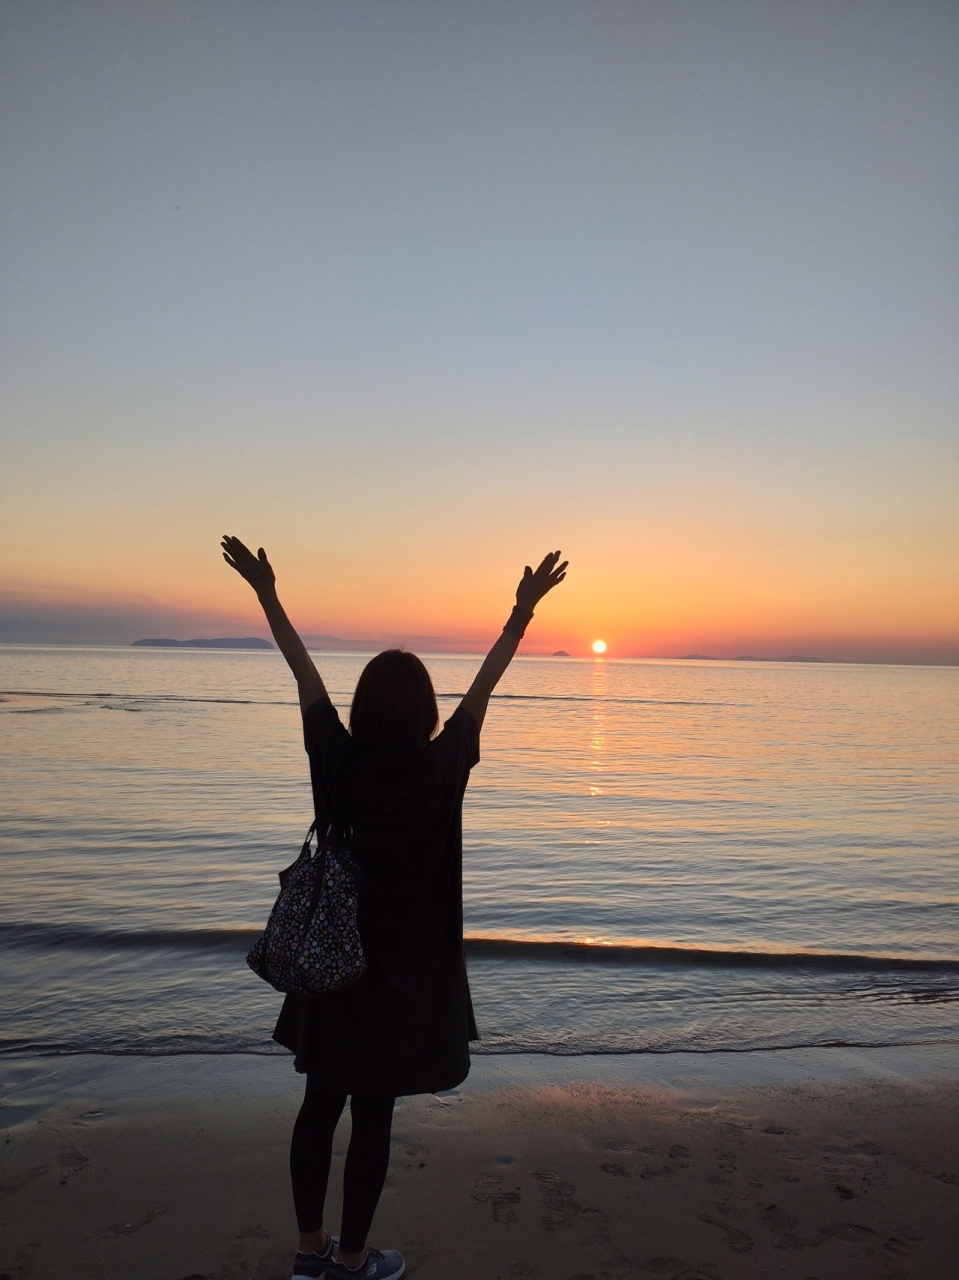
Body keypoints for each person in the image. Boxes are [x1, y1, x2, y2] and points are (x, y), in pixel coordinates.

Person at [221, 536, 568, 1280]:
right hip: (401, 980)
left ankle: (309, 1254)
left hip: (331, 966)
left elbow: (302, 671)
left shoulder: (337, 760)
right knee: (372, 1115)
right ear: (426, 712)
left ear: (361, 709)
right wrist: (521, 612)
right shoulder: (444, 767)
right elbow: (486, 686)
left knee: (319, 1105)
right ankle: (352, 1258)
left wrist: (267, 594)